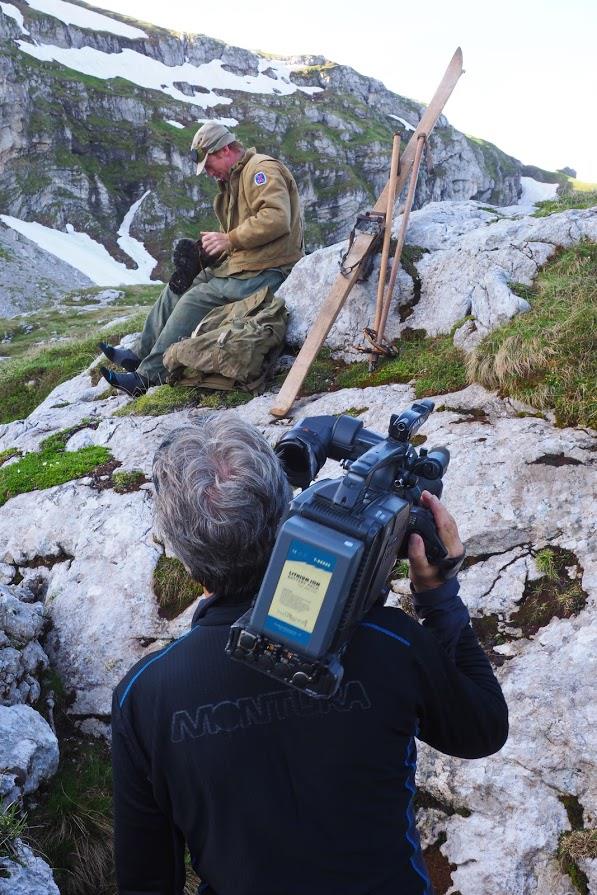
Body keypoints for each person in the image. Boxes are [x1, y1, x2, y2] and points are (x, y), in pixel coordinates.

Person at [111, 414, 508, 895]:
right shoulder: (391, 641)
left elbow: (148, 882)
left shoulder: (144, 695)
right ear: (290, 517)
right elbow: (483, 730)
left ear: (180, 550)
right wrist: (439, 599)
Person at [99, 123, 304, 396]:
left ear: (226, 150)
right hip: (246, 264)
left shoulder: (261, 170)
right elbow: (242, 232)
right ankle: (138, 353)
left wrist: (229, 240)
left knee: (194, 299)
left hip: (270, 269)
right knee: (180, 285)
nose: (208, 172)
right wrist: (207, 253)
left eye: (209, 164)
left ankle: (147, 377)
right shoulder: (233, 180)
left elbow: (277, 219)